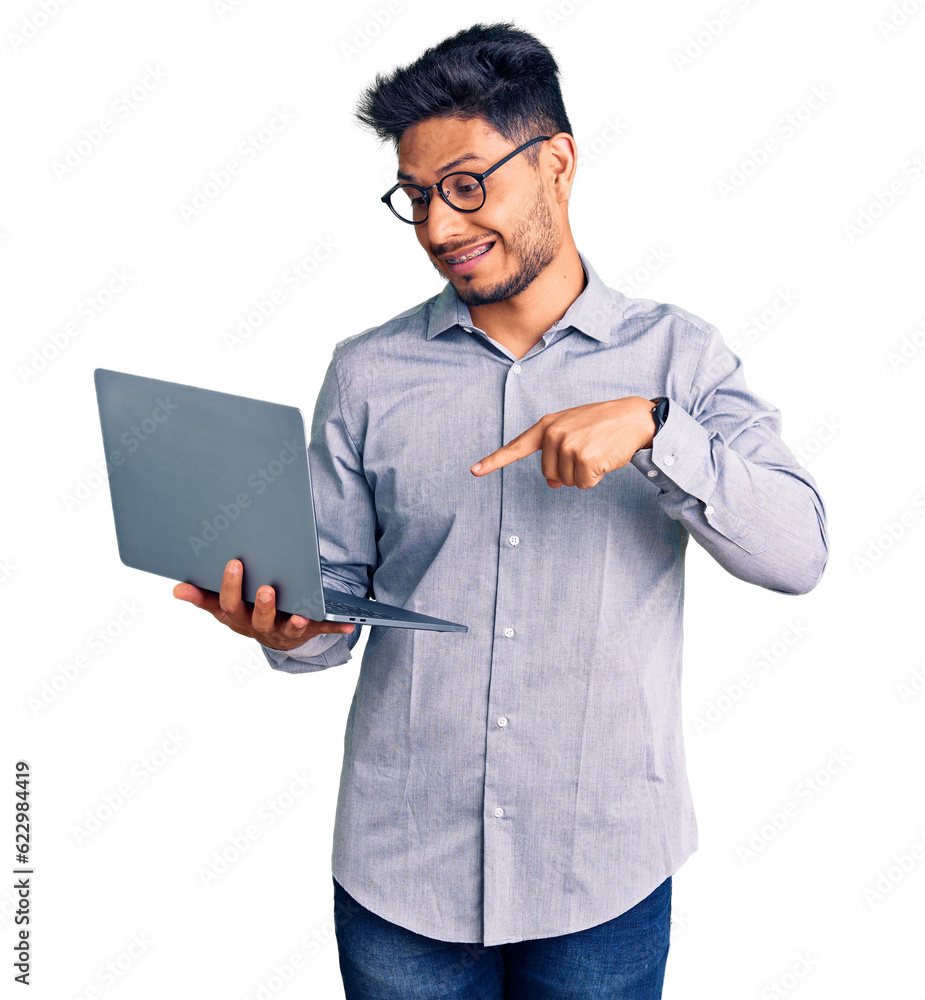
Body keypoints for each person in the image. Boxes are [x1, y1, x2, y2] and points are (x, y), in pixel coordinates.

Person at [174, 21, 828, 999]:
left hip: (601, 866)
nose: (439, 227)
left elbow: (799, 550)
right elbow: (331, 615)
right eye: (418, 196)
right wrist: (289, 625)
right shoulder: (367, 373)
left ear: (557, 161)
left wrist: (657, 430)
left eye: (468, 185)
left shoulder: (678, 361)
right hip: (404, 872)